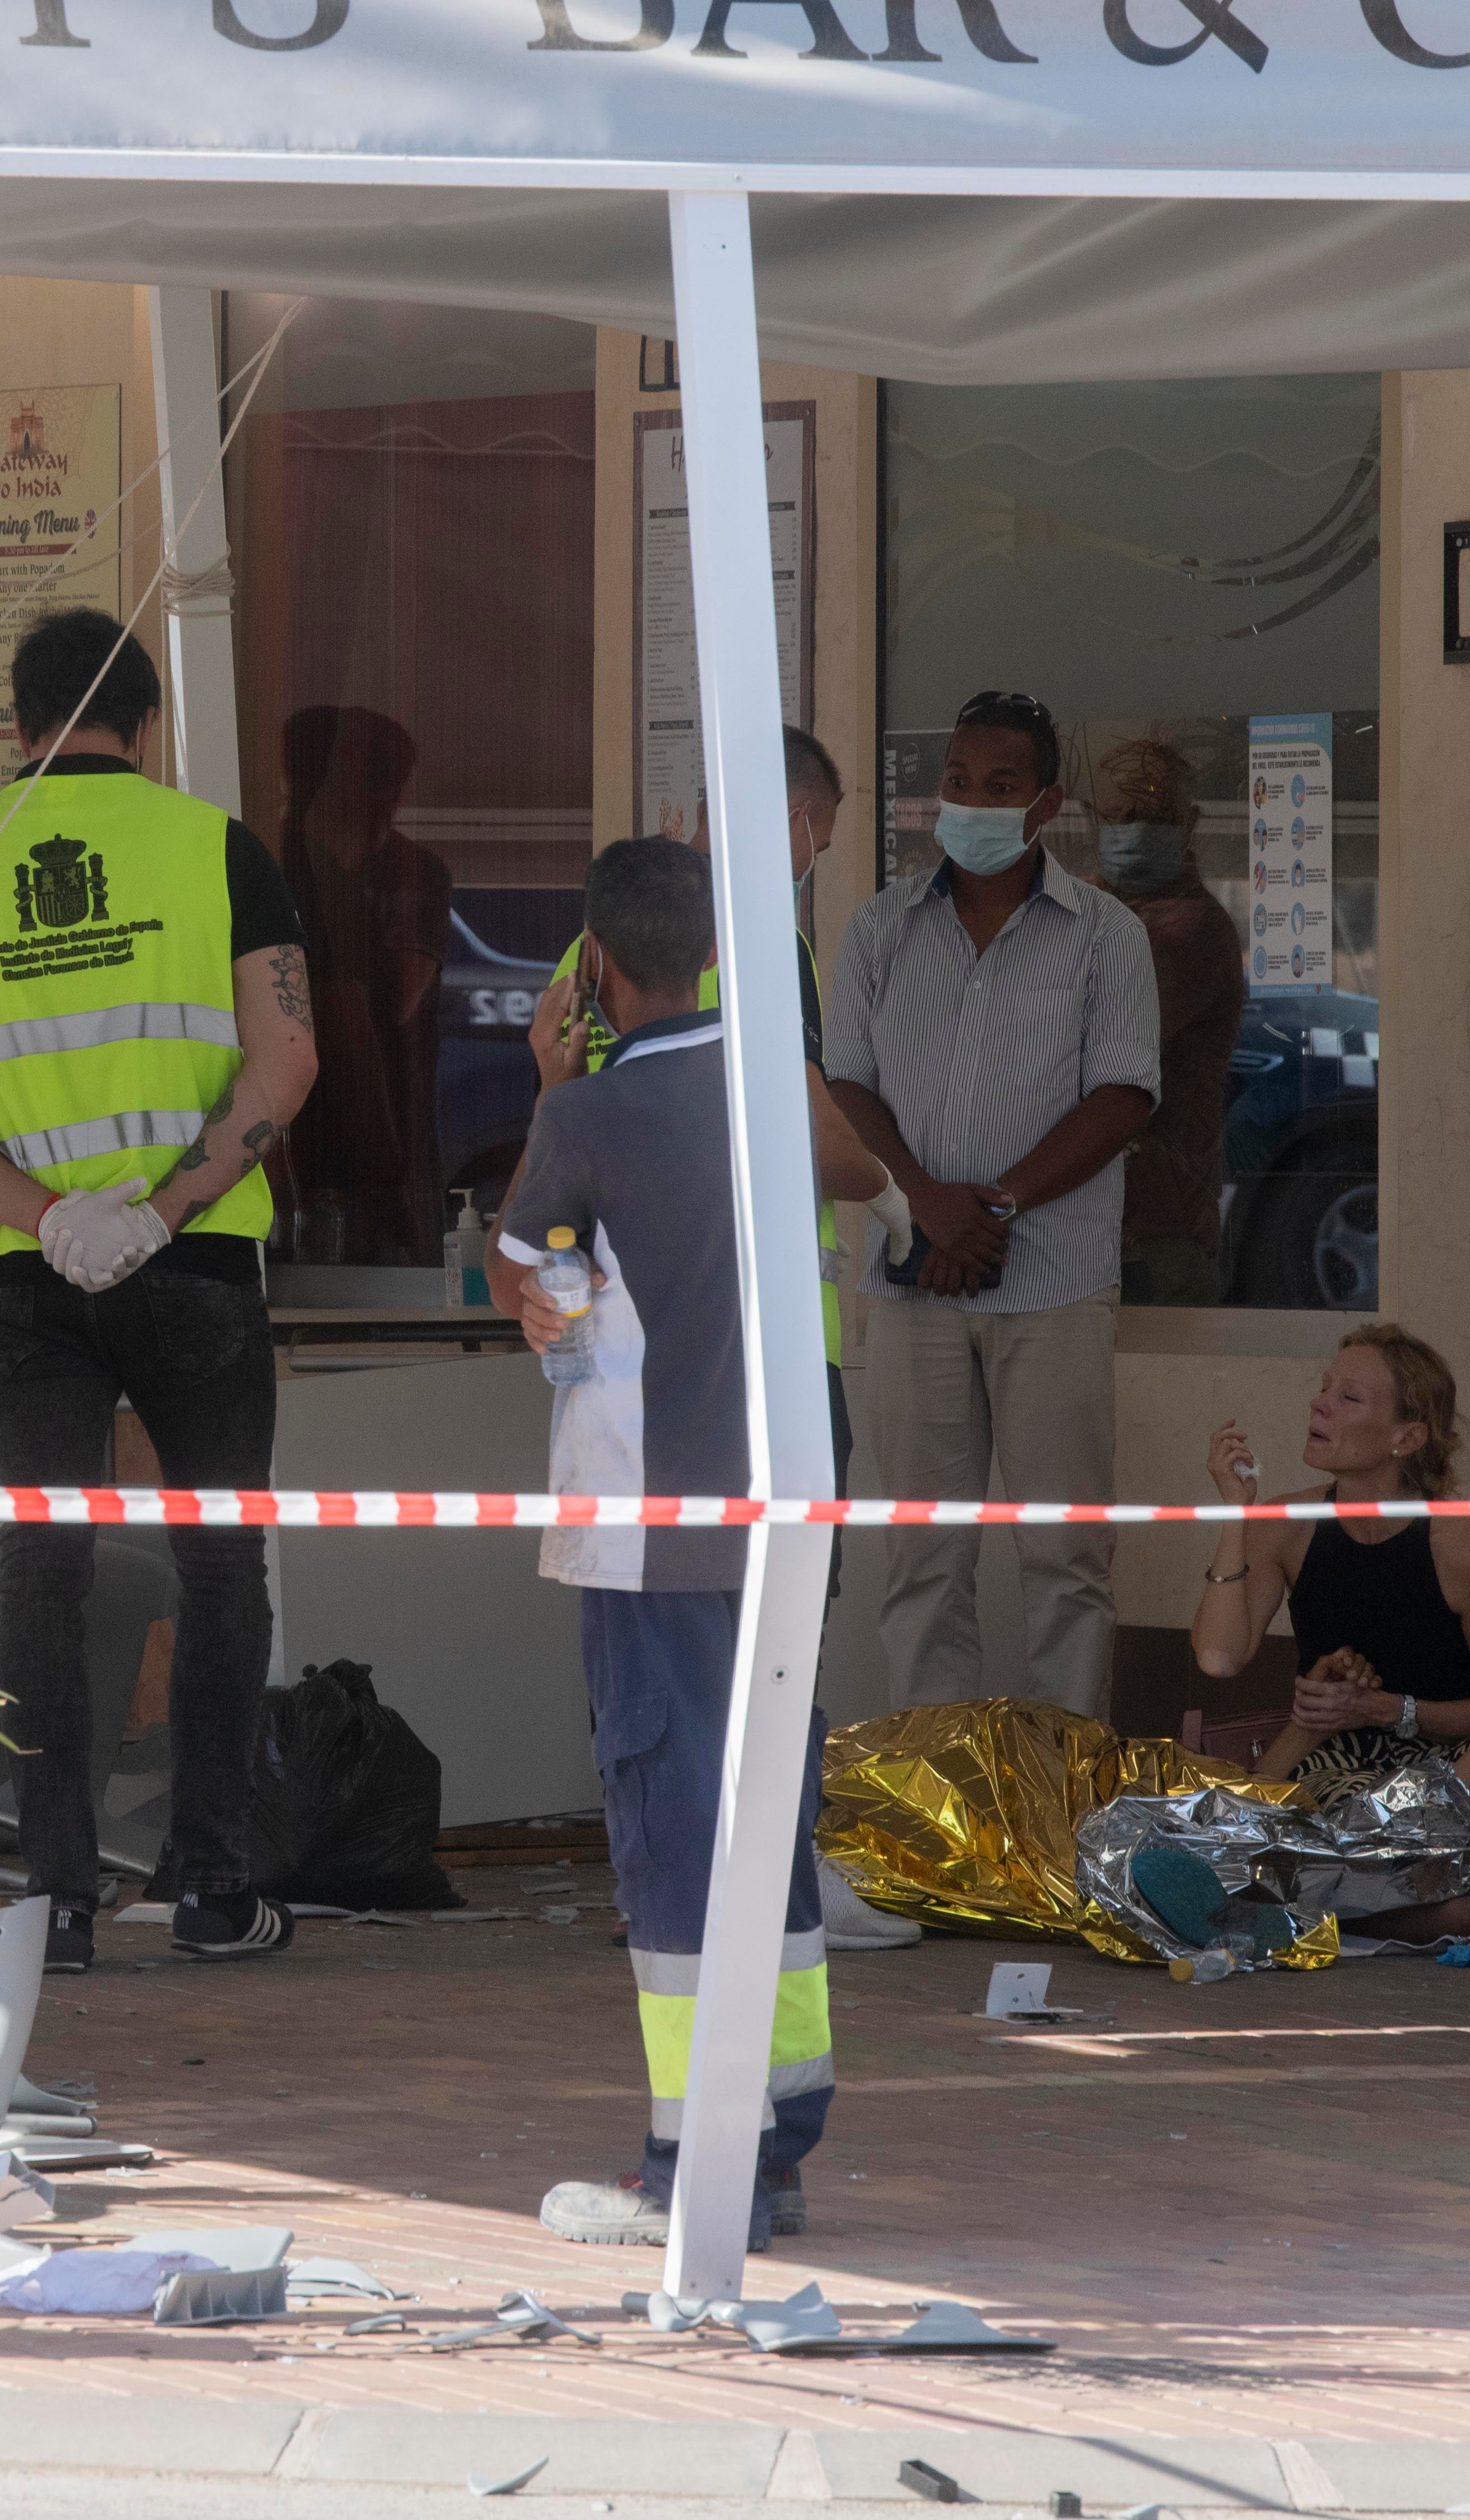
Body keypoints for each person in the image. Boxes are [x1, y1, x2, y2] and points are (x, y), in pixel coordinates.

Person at [0, 608, 318, 1974]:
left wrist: (51, 1219)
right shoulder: (217, 849)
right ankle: (211, 1886)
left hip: (25, 1274)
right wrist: (158, 1209)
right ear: (148, 722)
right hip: (194, 1260)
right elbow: (286, 1061)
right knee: (220, 1560)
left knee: (42, 1567)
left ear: (16, 728)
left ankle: (54, 1899)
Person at [489, 836, 836, 2253]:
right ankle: (777, 2137)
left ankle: (691, 2158)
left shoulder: (585, 1115)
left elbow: (532, 1287)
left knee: (672, 1838)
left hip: (648, 1536)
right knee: (768, 1825)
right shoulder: (775, 1092)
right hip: (783, 1521)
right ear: (711, 953)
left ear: (592, 966)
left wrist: (545, 1086)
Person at [537, 727, 912, 1952]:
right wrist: (895, 1196)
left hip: (624, 1371)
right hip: (768, 1355)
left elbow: (554, 1132)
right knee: (777, 1628)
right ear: (789, 820)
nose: (811, 860)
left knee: (653, 1651)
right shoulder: (756, 939)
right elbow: (812, 1130)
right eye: (817, 837)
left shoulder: (591, 947)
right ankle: (776, 1867)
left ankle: (667, 1867)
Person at [826, 689, 1159, 1718]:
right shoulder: (878, 928)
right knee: (923, 1559)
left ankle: (1068, 1790)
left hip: (1052, 1286)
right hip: (912, 1284)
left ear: (1045, 803)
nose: (970, 803)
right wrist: (925, 1204)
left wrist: (998, 1207)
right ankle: (944, 1793)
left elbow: (1123, 1096)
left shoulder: (1106, 934)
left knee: (1066, 1557)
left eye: (999, 785)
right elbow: (845, 1086)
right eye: (957, 782)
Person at [1167, 1323, 1470, 1950]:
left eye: (1348, 1397)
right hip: (1346, 1770)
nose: (1319, 1404)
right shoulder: (1286, 1525)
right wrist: (1236, 1512)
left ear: (1407, 1437)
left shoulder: (1463, 1548)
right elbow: (1218, 1656)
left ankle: (1384, 1835)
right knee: (1339, 1844)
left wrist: (1392, 1710)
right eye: (1324, 1388)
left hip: (1461, 1769)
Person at [276, 706, 452, 1267]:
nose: (386, 802)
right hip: (288, 1132)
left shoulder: (410, 873)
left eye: (391, 787)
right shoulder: (274, 867)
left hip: (386, 1124)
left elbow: (390, 1006)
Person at [1095, 736, 1247, 1308]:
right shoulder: (1090, 910)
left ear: (1190, 823)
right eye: (1117, 816)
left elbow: (1090, 1049)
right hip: (1095, 1232)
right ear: (1091, 819)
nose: (1132, 831)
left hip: (1156, 1241)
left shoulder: (1191, 928)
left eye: (1153, 818)